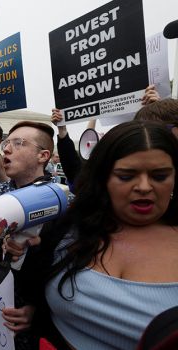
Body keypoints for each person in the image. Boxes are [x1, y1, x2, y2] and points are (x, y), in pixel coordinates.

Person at [39, 120, 178, 349]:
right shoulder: (67, 228)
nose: (144, 186)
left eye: (160, 176)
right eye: (126, 176)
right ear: (103, 179)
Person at [0, 120, 55, 349]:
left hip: (26, 326)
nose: (6, 149)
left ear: (43, 155)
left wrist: (37, 307)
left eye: (18, 143)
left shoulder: (63, 203)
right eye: (6, 143)